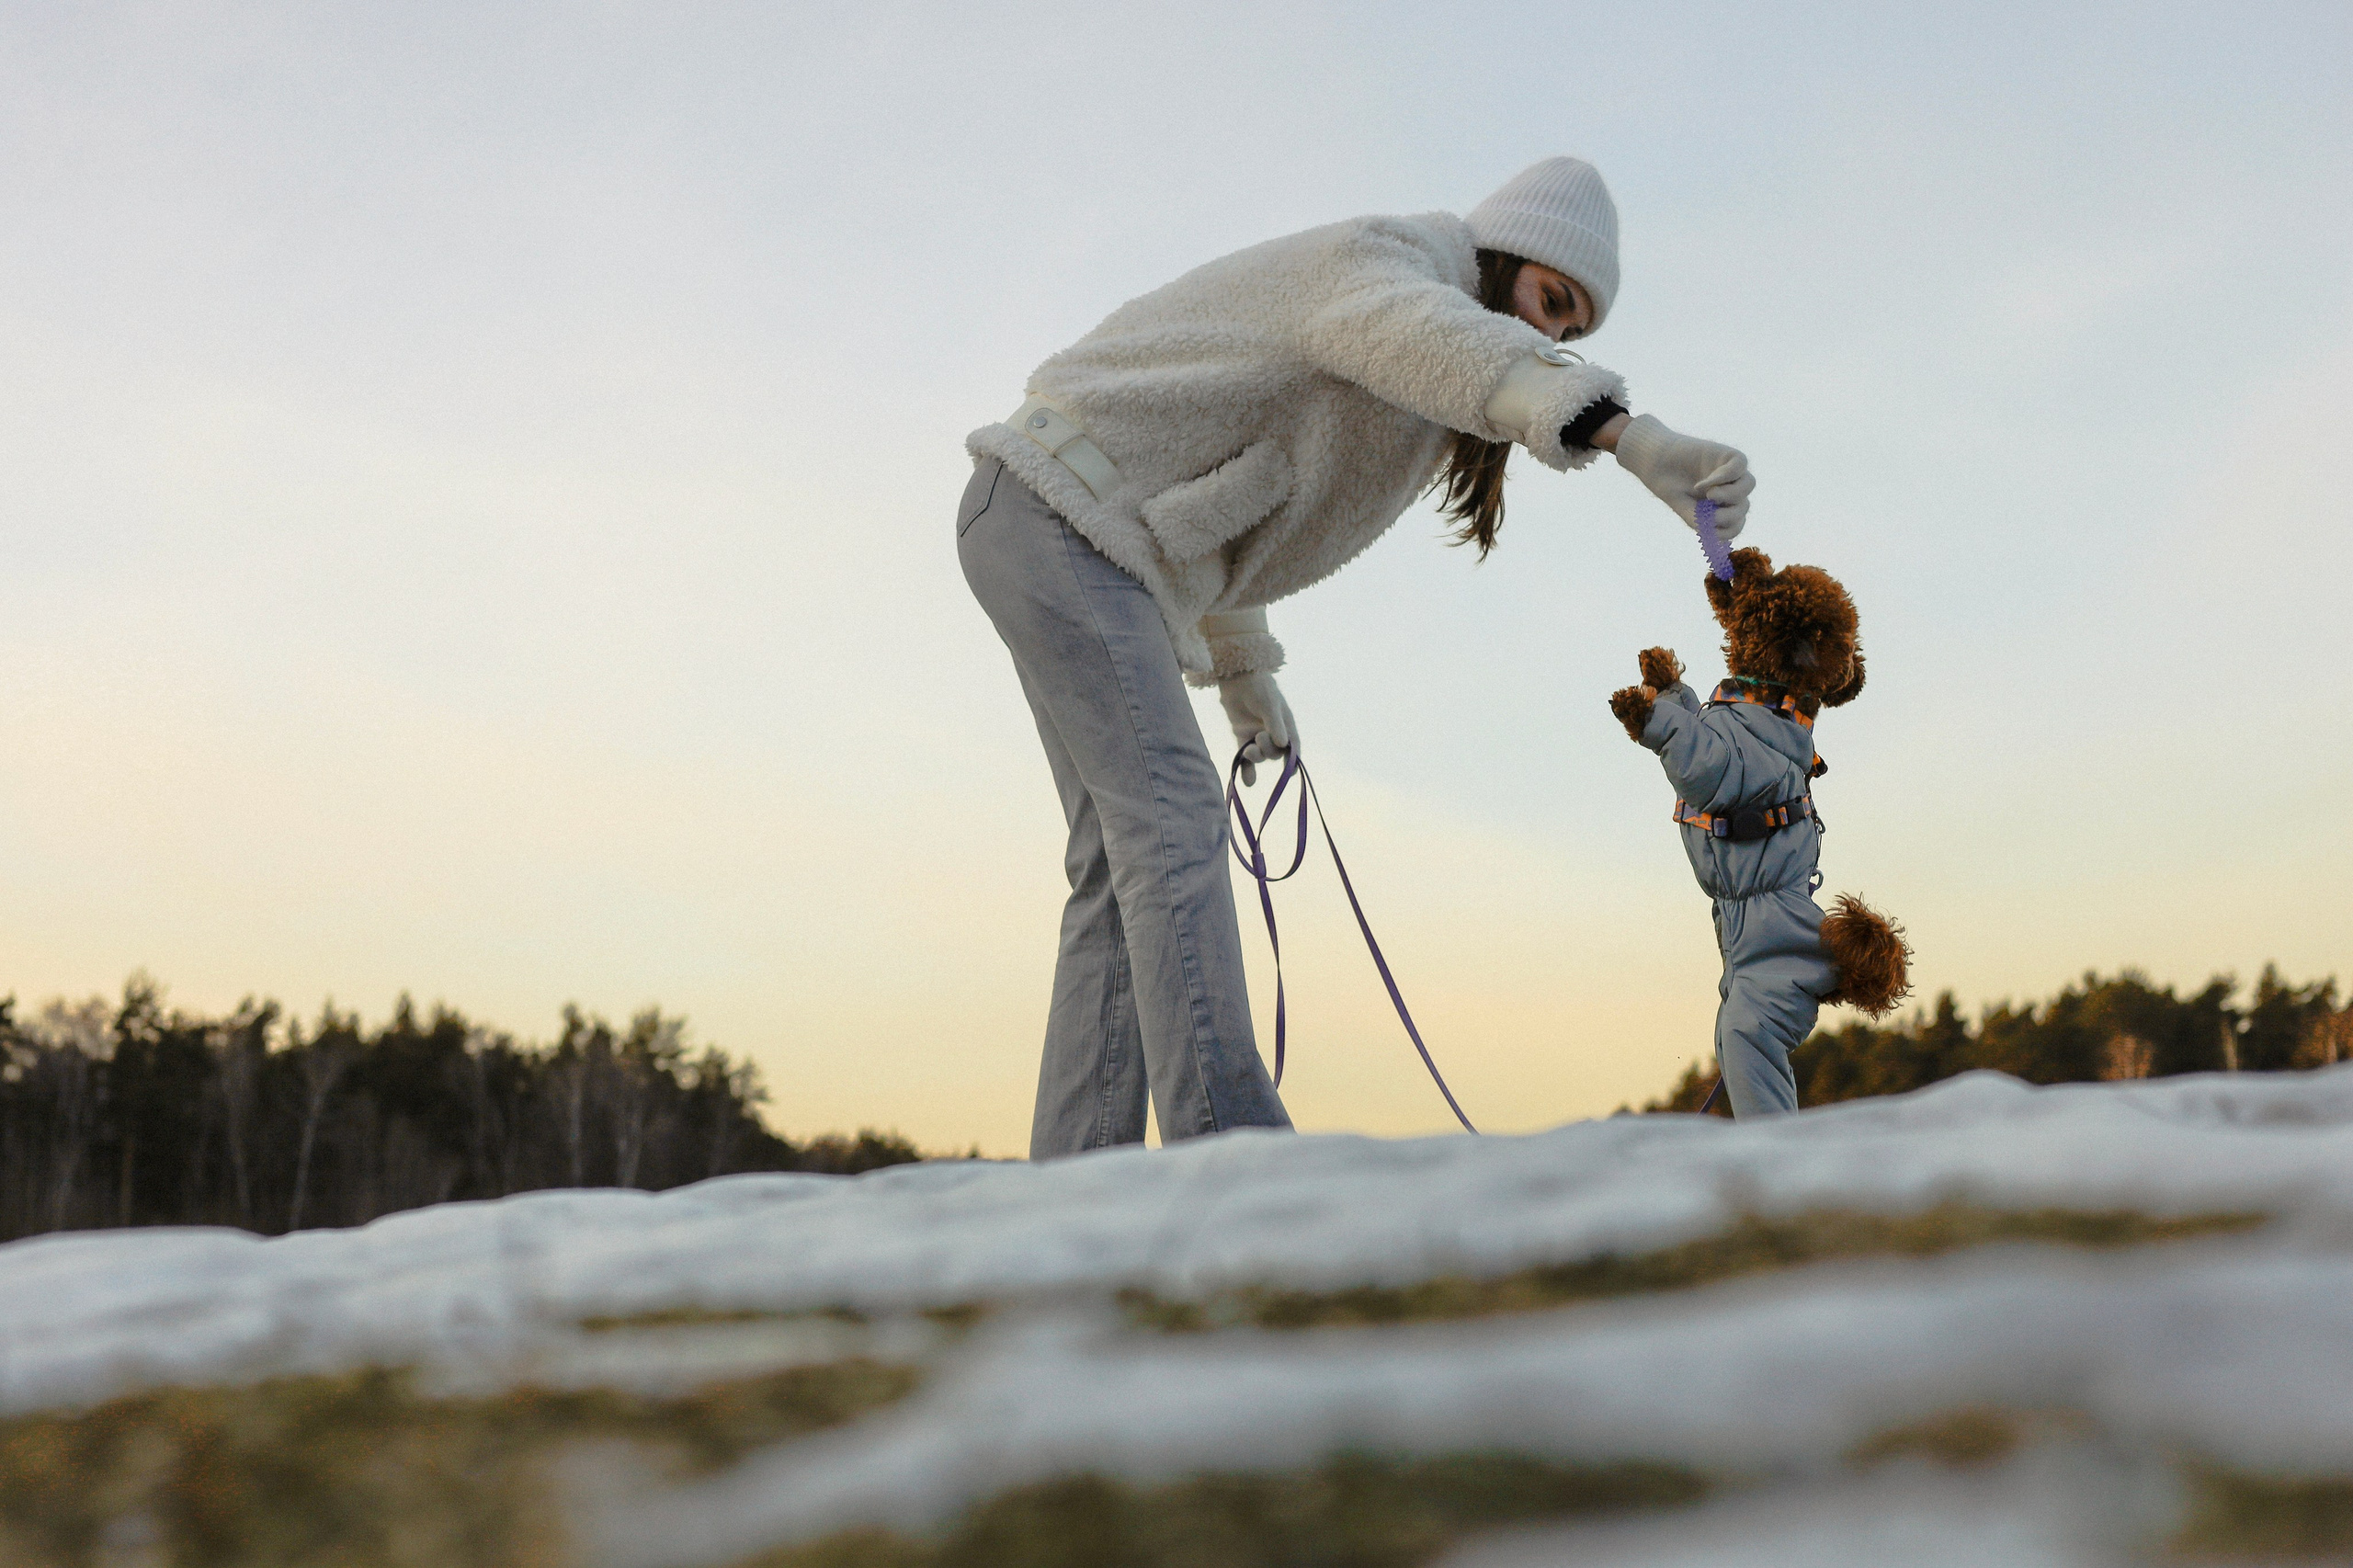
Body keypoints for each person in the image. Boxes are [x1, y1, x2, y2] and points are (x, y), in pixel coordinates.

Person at [959, 156, 1756, 1158]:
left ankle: (1079, 1178)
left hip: (1070, 527)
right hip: (1053, 511)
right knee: (1168, 814)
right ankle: (1230, 1152)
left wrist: (1246, 676)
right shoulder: (1385, 267)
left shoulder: (1417, 383)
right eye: (1551, 303)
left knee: (1119, 860)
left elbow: (1220, 501)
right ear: (1505, 254)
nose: (1546, 335)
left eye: (1570, 333)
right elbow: (1430, 337)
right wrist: (1630, 436)